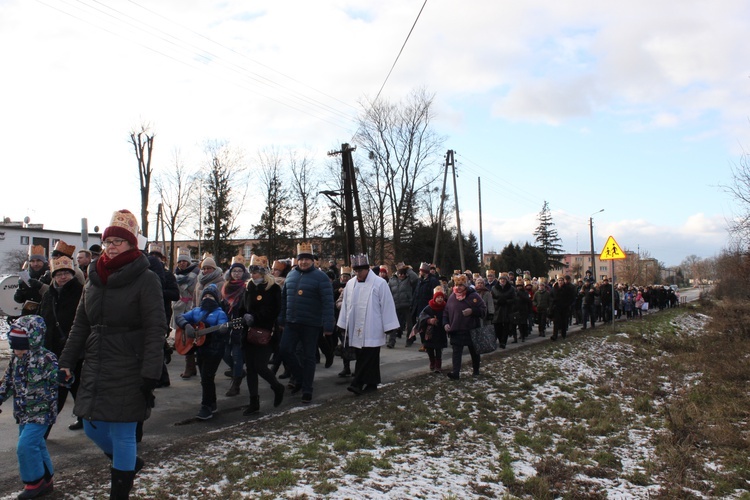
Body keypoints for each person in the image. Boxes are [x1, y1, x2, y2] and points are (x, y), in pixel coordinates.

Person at [58, 209, 166, 499]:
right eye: (109, 241)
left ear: (132, 245)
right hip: (96, 361)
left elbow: (156, 328)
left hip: (131, 363)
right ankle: (129, 465)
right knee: (92, 427)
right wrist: (67, 360)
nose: (112, 245)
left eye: (120, 241)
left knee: (122, 433)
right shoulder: (94, 278)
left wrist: (151, 372)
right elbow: (81, 324)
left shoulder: (146, 279)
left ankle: (119, 492)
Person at [0, 316, 59, 499]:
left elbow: (60, 377)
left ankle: (34, 482)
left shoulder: (46, 358)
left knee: (25, 446)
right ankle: (47, 480)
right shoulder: (16, 360)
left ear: (33, 341)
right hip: (23, 412)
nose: (17, 351)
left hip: (42, 412)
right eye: (14, 347)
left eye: (20, 347)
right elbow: (8, 382)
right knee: (36, 444)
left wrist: (66, 378)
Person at [278, 243, 335, 404]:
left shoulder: (321, 277)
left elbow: (328, 302)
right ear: (297, 260)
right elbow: (284, 299)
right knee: (285, 350)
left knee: (309, 356)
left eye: (307, 259)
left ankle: (307, 389)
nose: (303, 262)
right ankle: (299, 376)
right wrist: (282, 318)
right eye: (301, 259)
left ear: (312, 260)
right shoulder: (291, 275)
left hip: (311, 324)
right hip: (291, 321)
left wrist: (328, 324)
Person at [36, 253, 84, 433]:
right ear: (53, 276)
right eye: (58, 273)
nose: (62, 277)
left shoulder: (81, 292)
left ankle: (43, 431)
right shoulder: (49, 294)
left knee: (63, 391)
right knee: (70, 389)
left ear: (72, 274)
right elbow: (42, 318)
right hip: (52, 350)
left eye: (66, 273)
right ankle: (86, 419)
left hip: (74, 350)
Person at [338, 254, 399, 395]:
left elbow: (387, 305)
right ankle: (372, 383)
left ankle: (357, 383)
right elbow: (346, 305)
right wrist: (342, 324)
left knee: (368, 355)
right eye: (355, 271)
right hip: (356, 327)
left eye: (360, 270)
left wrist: (390, 326)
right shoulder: (351, 284)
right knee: (365, 357)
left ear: (367, 269)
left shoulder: (379, 283)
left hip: (373, 326)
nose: (357, 273)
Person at [175, 283, 229, 420]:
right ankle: (212, 403)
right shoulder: (196, 311)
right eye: (205, 296)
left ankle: (206, 407)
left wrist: (222, 330)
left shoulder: (220, 313)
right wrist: (186, 326)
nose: (207, 298)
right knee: (206, 378)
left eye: (211, 296)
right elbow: (180, 317)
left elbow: (224, 329)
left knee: (207, 377)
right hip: (200, 348)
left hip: (215, 349)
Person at [242, 255, 285, 415]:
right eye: (252, 271)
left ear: (264, 272)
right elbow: (243, 307)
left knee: (260, 366)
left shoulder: (273, 288)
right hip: (248, 333)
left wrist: (256, 317)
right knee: (250, 369)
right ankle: (254, 401)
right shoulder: (248, 287)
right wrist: (240, 320)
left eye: (257, 271)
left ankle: (277, 387)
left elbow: (274, 309)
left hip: (266, 332)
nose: (254, 275)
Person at [146, 244, 180, 389]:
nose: (154, 259)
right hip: (147, 312)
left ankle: (162, 377)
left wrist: (158, 291)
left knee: (156, 343)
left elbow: (175, 294)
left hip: (163, 312)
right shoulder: (145, 273)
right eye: (151, 256)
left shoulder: (167, 275)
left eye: (157, 256)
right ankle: (160, 375)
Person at [443, 274, 487, 380]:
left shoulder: (473, 296)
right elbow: (446, 312)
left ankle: (476, 370)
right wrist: (445, 323)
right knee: (456, 352)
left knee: (474, 352)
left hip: (471, 329)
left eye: (461, 285)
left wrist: (472, 311)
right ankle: (456, 373)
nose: (458, 287)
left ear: (466, 285)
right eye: (456, 285)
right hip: (456, 329)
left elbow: (483, 310)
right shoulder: (452, 297)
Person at [221, 255, 250, 397]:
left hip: (240, 326)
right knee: (225, 353)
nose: (237, 273)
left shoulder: (246, 288)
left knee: (238, 355)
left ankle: (236, 383)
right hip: (227, 325)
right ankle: (237, 371)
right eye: (234, 271)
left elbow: (249, 306)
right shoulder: (225, 288)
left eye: (239, 271)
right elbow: (222, 306)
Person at [172, 249, 200, 379]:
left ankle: (191, 365)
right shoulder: (176, 276)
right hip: (180, 307)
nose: (182, 263)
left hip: (191, 307)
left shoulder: (196, 275)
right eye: (180, 261)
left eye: (184, 261)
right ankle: (191, 366)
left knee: (192, 337)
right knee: (182, 337)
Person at [416, 287, 448, 373]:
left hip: (440, 332)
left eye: (441, 297)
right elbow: (421, 317)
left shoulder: (445, 307)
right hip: (430, 333)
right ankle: (432, 362)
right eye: (438, 297)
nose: (440, 299)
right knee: (430, 349)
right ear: (434, 298)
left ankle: (438, 366)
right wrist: (429, 320)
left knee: (438, 350)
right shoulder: (428, 307)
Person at [14, 245, 52, 316]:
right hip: (28, 316)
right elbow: (19, 300)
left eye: (38, 261)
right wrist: (20, 290)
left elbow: (54, 296)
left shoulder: (50, 276)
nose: (35, 264)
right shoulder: (26, 276)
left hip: (46, 316)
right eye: (32, 261)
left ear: (44, 262)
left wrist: (40, 285)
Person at [409, 262, 440, 347]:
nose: (419, 272)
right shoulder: (420, 281)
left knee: (426, 326)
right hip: (418, 306)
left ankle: (426, 344)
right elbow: (416, 293)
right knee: (420, 325)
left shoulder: (433, 281)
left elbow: (435, 295)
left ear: (424, 271)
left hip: (427, 307)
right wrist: (413, 304)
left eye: (420, 271)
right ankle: (424, 343)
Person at [387, 264, 415, 348]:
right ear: (397, 273)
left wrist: (408, 270)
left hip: (406, 305)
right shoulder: (392, 280)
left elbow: (415, 278)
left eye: (403, 273)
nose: (402, 275)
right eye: (400, 273)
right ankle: (391, 342)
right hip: (395, 305)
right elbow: (388, 292)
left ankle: (409, 340)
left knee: (409, 325)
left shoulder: (408, 280)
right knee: (393, 325)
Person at [491, 272, 515, 348]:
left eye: (504, 279)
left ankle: (503, 342)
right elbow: (492, 298)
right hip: (497, 310)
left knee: (506, 327)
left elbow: (514, 299)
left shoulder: (511, 289)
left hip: (507, 309)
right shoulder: (494, 288)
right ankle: (500, 339)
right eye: (501, 279)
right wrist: (497, 301)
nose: (502, 280)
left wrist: (507, 301)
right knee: (497, 327)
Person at [550, 275, 577, 341]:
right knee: (556, 322)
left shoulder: (567, 288)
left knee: (564, 321)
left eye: (561, 280)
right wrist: (552, 304)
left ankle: (563, 334)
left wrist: (568, 304)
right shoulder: (554, 288)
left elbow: (571, 297)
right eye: (559, 280)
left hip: (565, 307)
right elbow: (551, 297)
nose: (560, 282)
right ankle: (554, 335)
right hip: (556, 307)